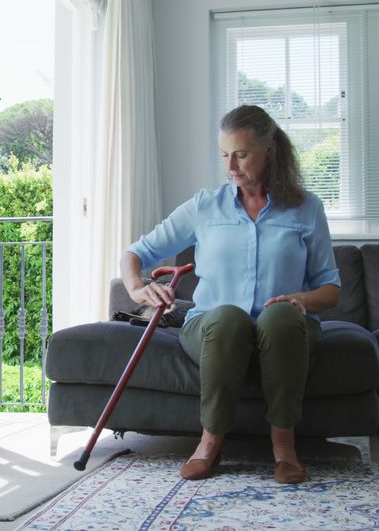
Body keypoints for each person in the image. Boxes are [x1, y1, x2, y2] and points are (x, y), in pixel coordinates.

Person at [120, 105, 341, 484]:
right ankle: (209, 446)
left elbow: (331, 290)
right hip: (212, 327)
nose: (231, 166)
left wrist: (303, 300)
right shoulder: (205, 206)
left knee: (282, 315)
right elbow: (135, 253)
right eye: (225, 155)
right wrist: (138, 289)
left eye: (241, 154)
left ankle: (284, 449)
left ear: (269, 151)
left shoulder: (306, 208)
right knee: (227, 317)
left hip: (285, 329)